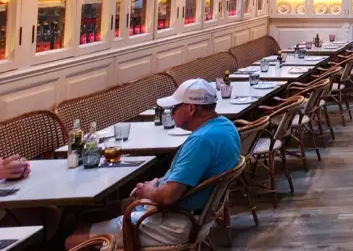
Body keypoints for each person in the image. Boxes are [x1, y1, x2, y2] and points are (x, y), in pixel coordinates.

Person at [65, 78, 241, 250]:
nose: (170, 114)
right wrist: (156, 183)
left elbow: (168, 197)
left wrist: (147, 191)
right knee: (107, 209)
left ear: (191, 108)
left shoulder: (202, 141)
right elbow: (182, 178)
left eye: (174, 108)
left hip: (173, 222)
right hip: (194, 215)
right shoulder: (225, 126)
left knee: (72, 240)